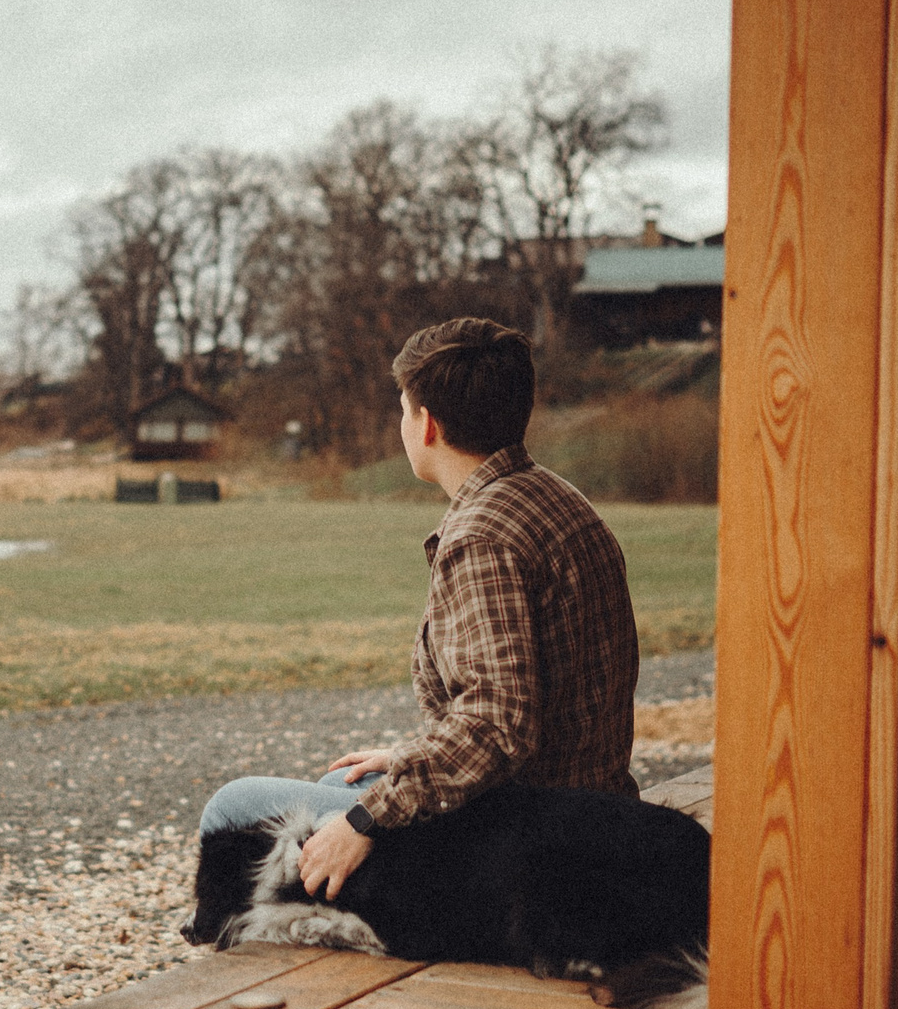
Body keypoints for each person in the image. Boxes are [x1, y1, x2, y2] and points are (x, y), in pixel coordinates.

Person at [200, 317, 640, 902]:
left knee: (232, 808)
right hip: (587, 804)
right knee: (341, 780)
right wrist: (408, 761)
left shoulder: (483, 537)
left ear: (426, 423)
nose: (402, 423)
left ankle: (237, 971)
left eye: (403, 408)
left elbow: (497, 723)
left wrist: (365, 821)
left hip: (536, 842)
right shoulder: (555, 496)